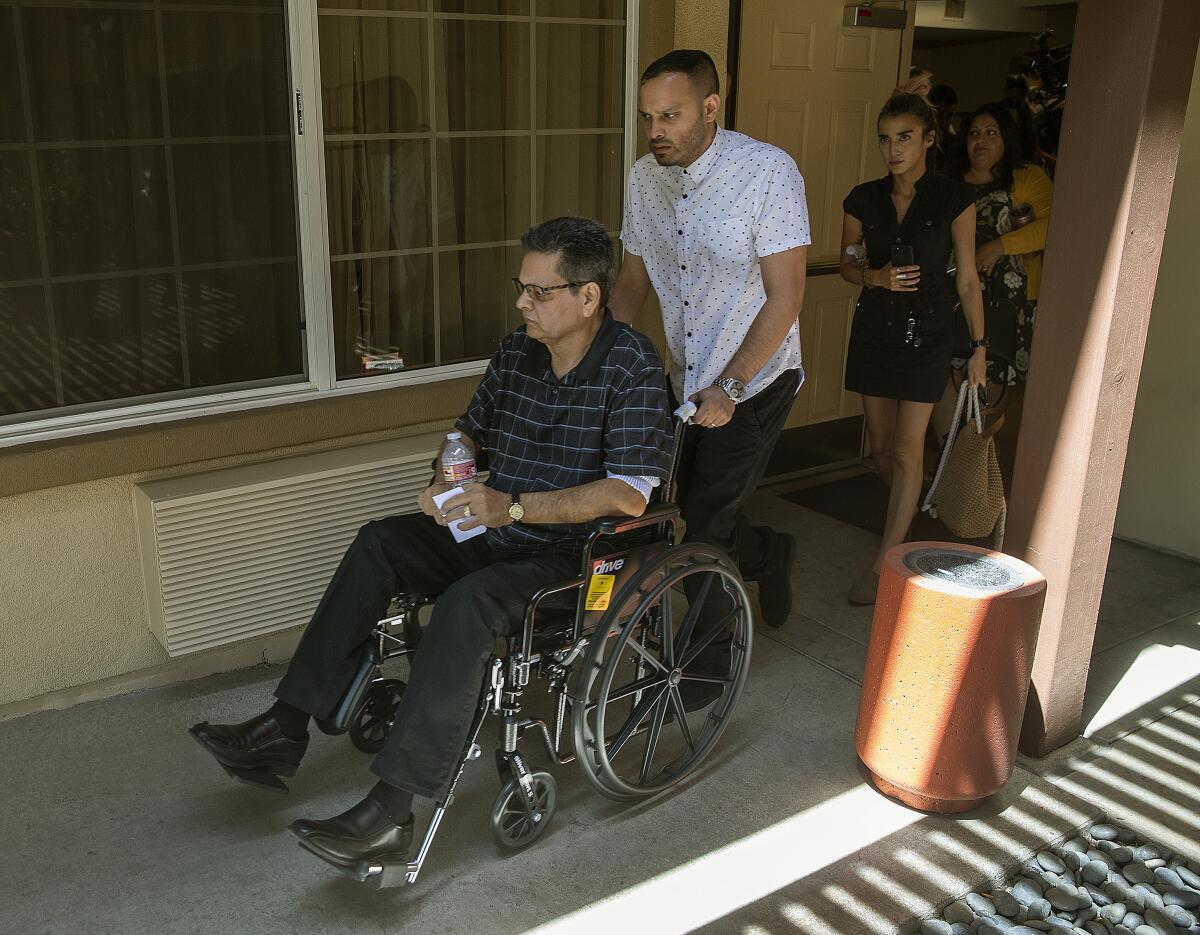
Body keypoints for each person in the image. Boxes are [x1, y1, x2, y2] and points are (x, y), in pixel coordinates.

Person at [188, 217, 673, 874]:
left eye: (538, 291)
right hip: (496, 529)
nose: (521, 302)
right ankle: (284, 726)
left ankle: (391, 812)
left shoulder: (632, 364)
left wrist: (516, 505)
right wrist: (448, 476)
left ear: (588, 296)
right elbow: (465, 434)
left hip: (573, 560)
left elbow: (631, 494)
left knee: (466, 605)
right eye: (520, 287)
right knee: (382, 542)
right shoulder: (516, 351)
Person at [608, 49, 810, 631]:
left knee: (705, 528)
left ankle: (702, 671)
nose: (655, 132)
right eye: (647, 118)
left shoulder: (768, 172)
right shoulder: (646, 176)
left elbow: (786, 296)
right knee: (686, 508)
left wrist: (729, 385)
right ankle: (769, 555)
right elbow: (631, 282)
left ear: (710, 107)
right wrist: (593, 364)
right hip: (685, 375)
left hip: (755, 379)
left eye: (669, 116)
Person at [838, 87, 987, 605]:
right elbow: (847, 264)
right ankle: (912, 515)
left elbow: (968, 278)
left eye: (905, 137)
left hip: (928, 334)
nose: (894, 149)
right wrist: (873, 277)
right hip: (875, 332)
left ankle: (883, 564)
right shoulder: (864, 198)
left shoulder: (952, 198)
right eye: (885, 139)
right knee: (880, 448)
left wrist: (979, 347)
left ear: (928, 140)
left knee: (907, 449)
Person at [950, 102, 1053, 390]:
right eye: (974, 133)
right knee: (950, 377)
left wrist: (1000, 245)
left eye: (991, 133)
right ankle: (956, 436)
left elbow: (1052, 226)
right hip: (955, 296)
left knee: (991, 385)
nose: (980, 140)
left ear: (1006, 139)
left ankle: (978, 436)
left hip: (1008, 303)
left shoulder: (1028, 177)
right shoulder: (949, 183)